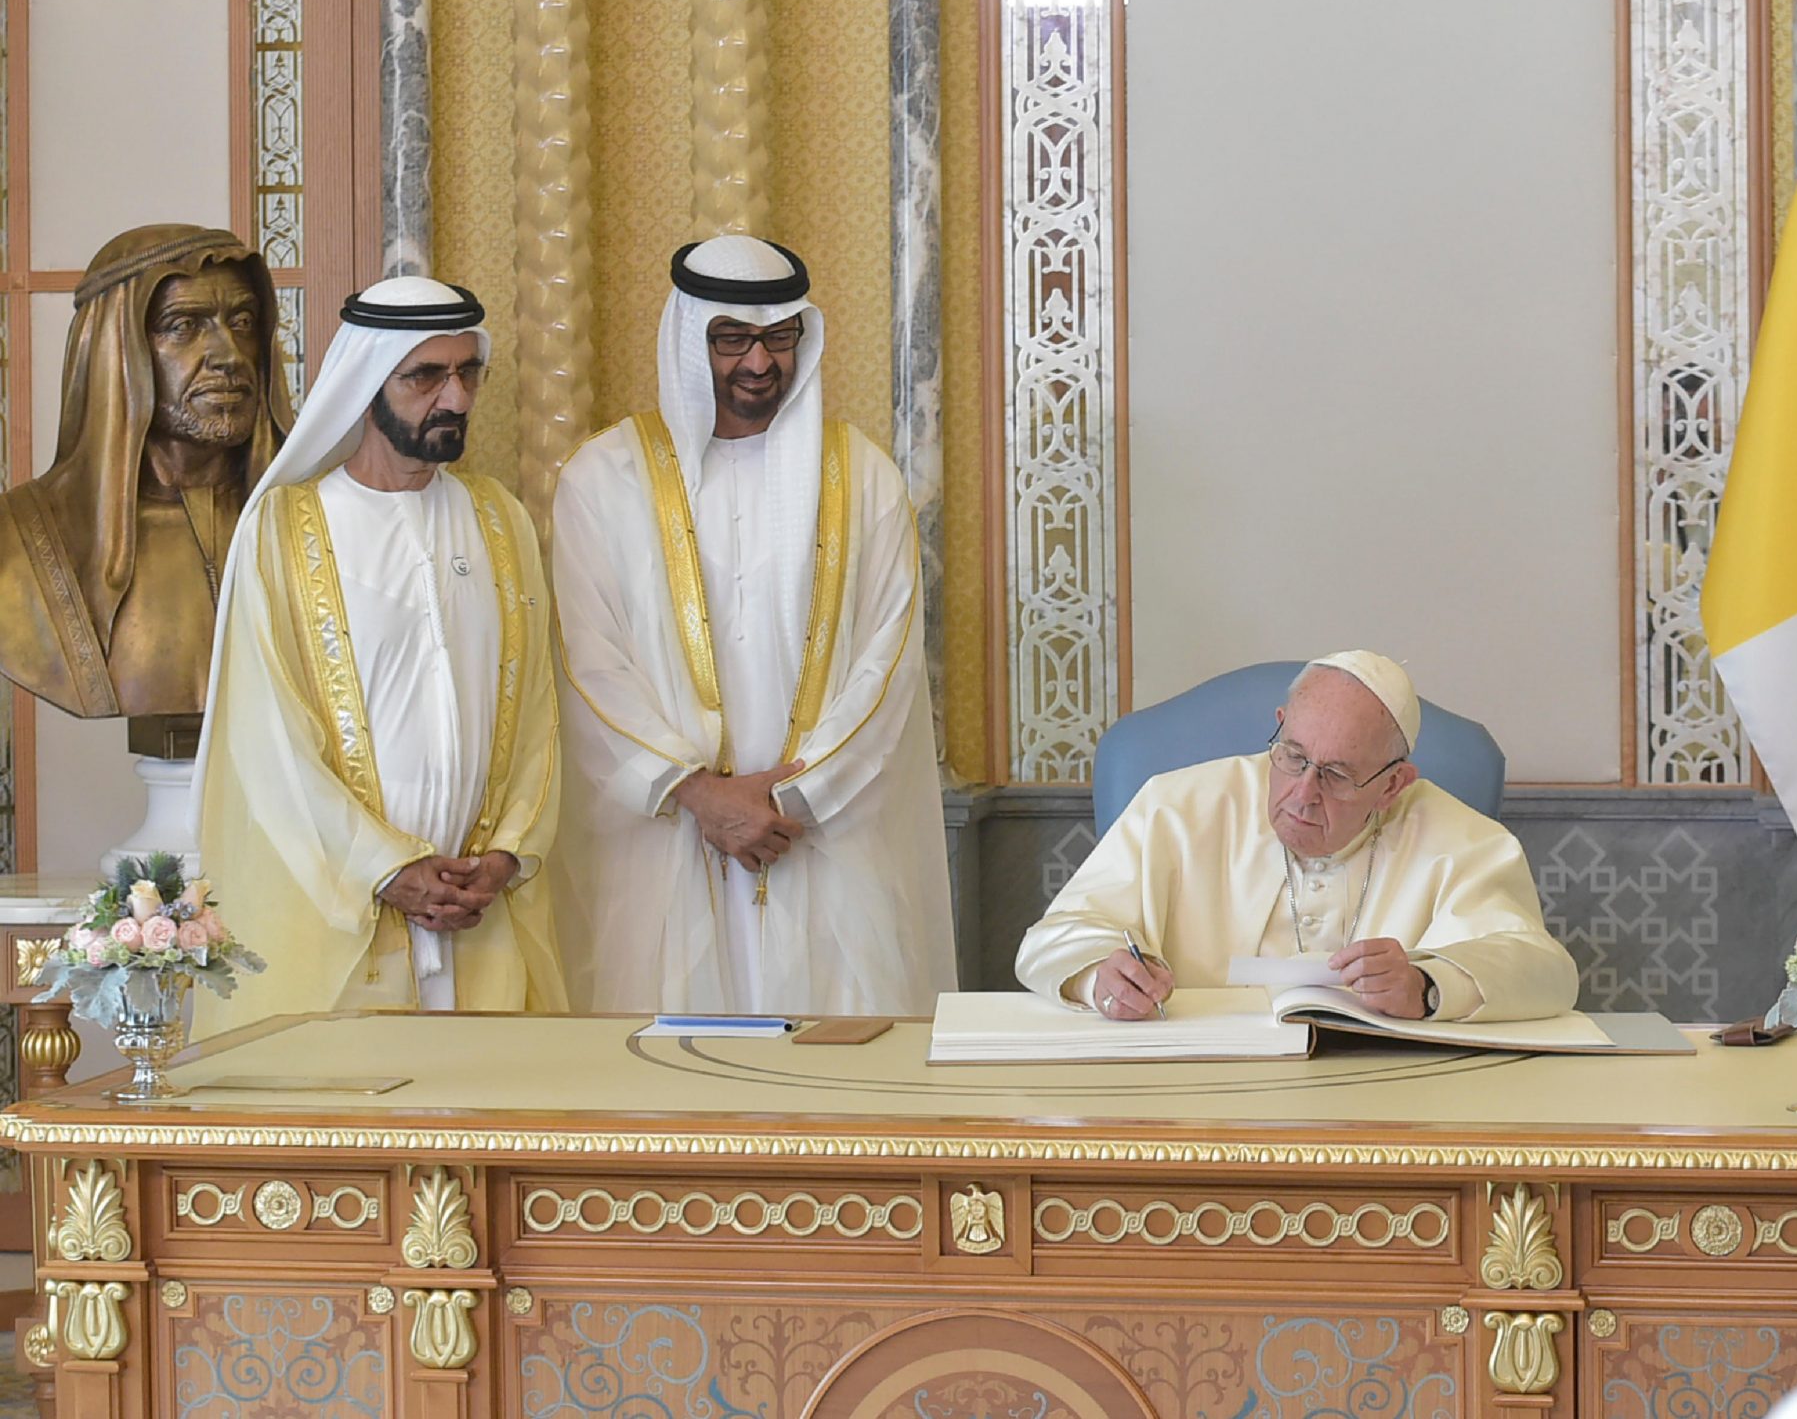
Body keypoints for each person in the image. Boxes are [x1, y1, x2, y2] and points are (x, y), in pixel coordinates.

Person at [551, 235, 953, 1015]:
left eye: (778, 338)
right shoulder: (605, 478)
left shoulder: (863, 475)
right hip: (667, 840)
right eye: (730, 339)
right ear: (686, 337)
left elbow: (889, 660)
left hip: (823, 839)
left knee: (836, 1082)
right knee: (668, 1093)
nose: (759, 363)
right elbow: (586, 661)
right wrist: (699, 793)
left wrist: (793, 799)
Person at [194, 277, 567, 1034]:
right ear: (366, 384)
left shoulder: (500, 521)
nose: (455, 399)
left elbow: (537, 717)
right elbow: (268, 741)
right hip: (341, 919)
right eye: (425, 377)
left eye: (468, 373)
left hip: (481, 918)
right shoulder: (284, 530)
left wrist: (504, 856)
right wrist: (386, 869)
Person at [1017, 651, 1578, 1023]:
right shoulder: (1176, 807)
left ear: (1393, 785)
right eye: (1293, 756)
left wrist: (1429, 986)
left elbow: (1542, 970)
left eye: (1337, 774)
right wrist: (1099, 976)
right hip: (1198, 1100)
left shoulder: (1463, 841)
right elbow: (1053, 940)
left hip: (1387, 1113)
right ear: (1280, 724)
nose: (1303, 792)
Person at [0, 225, 294, 716]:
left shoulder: (318, 525)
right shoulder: (17, 543)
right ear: (115, 353)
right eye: (183, 326)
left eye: (242, 321)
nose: (228, 355)